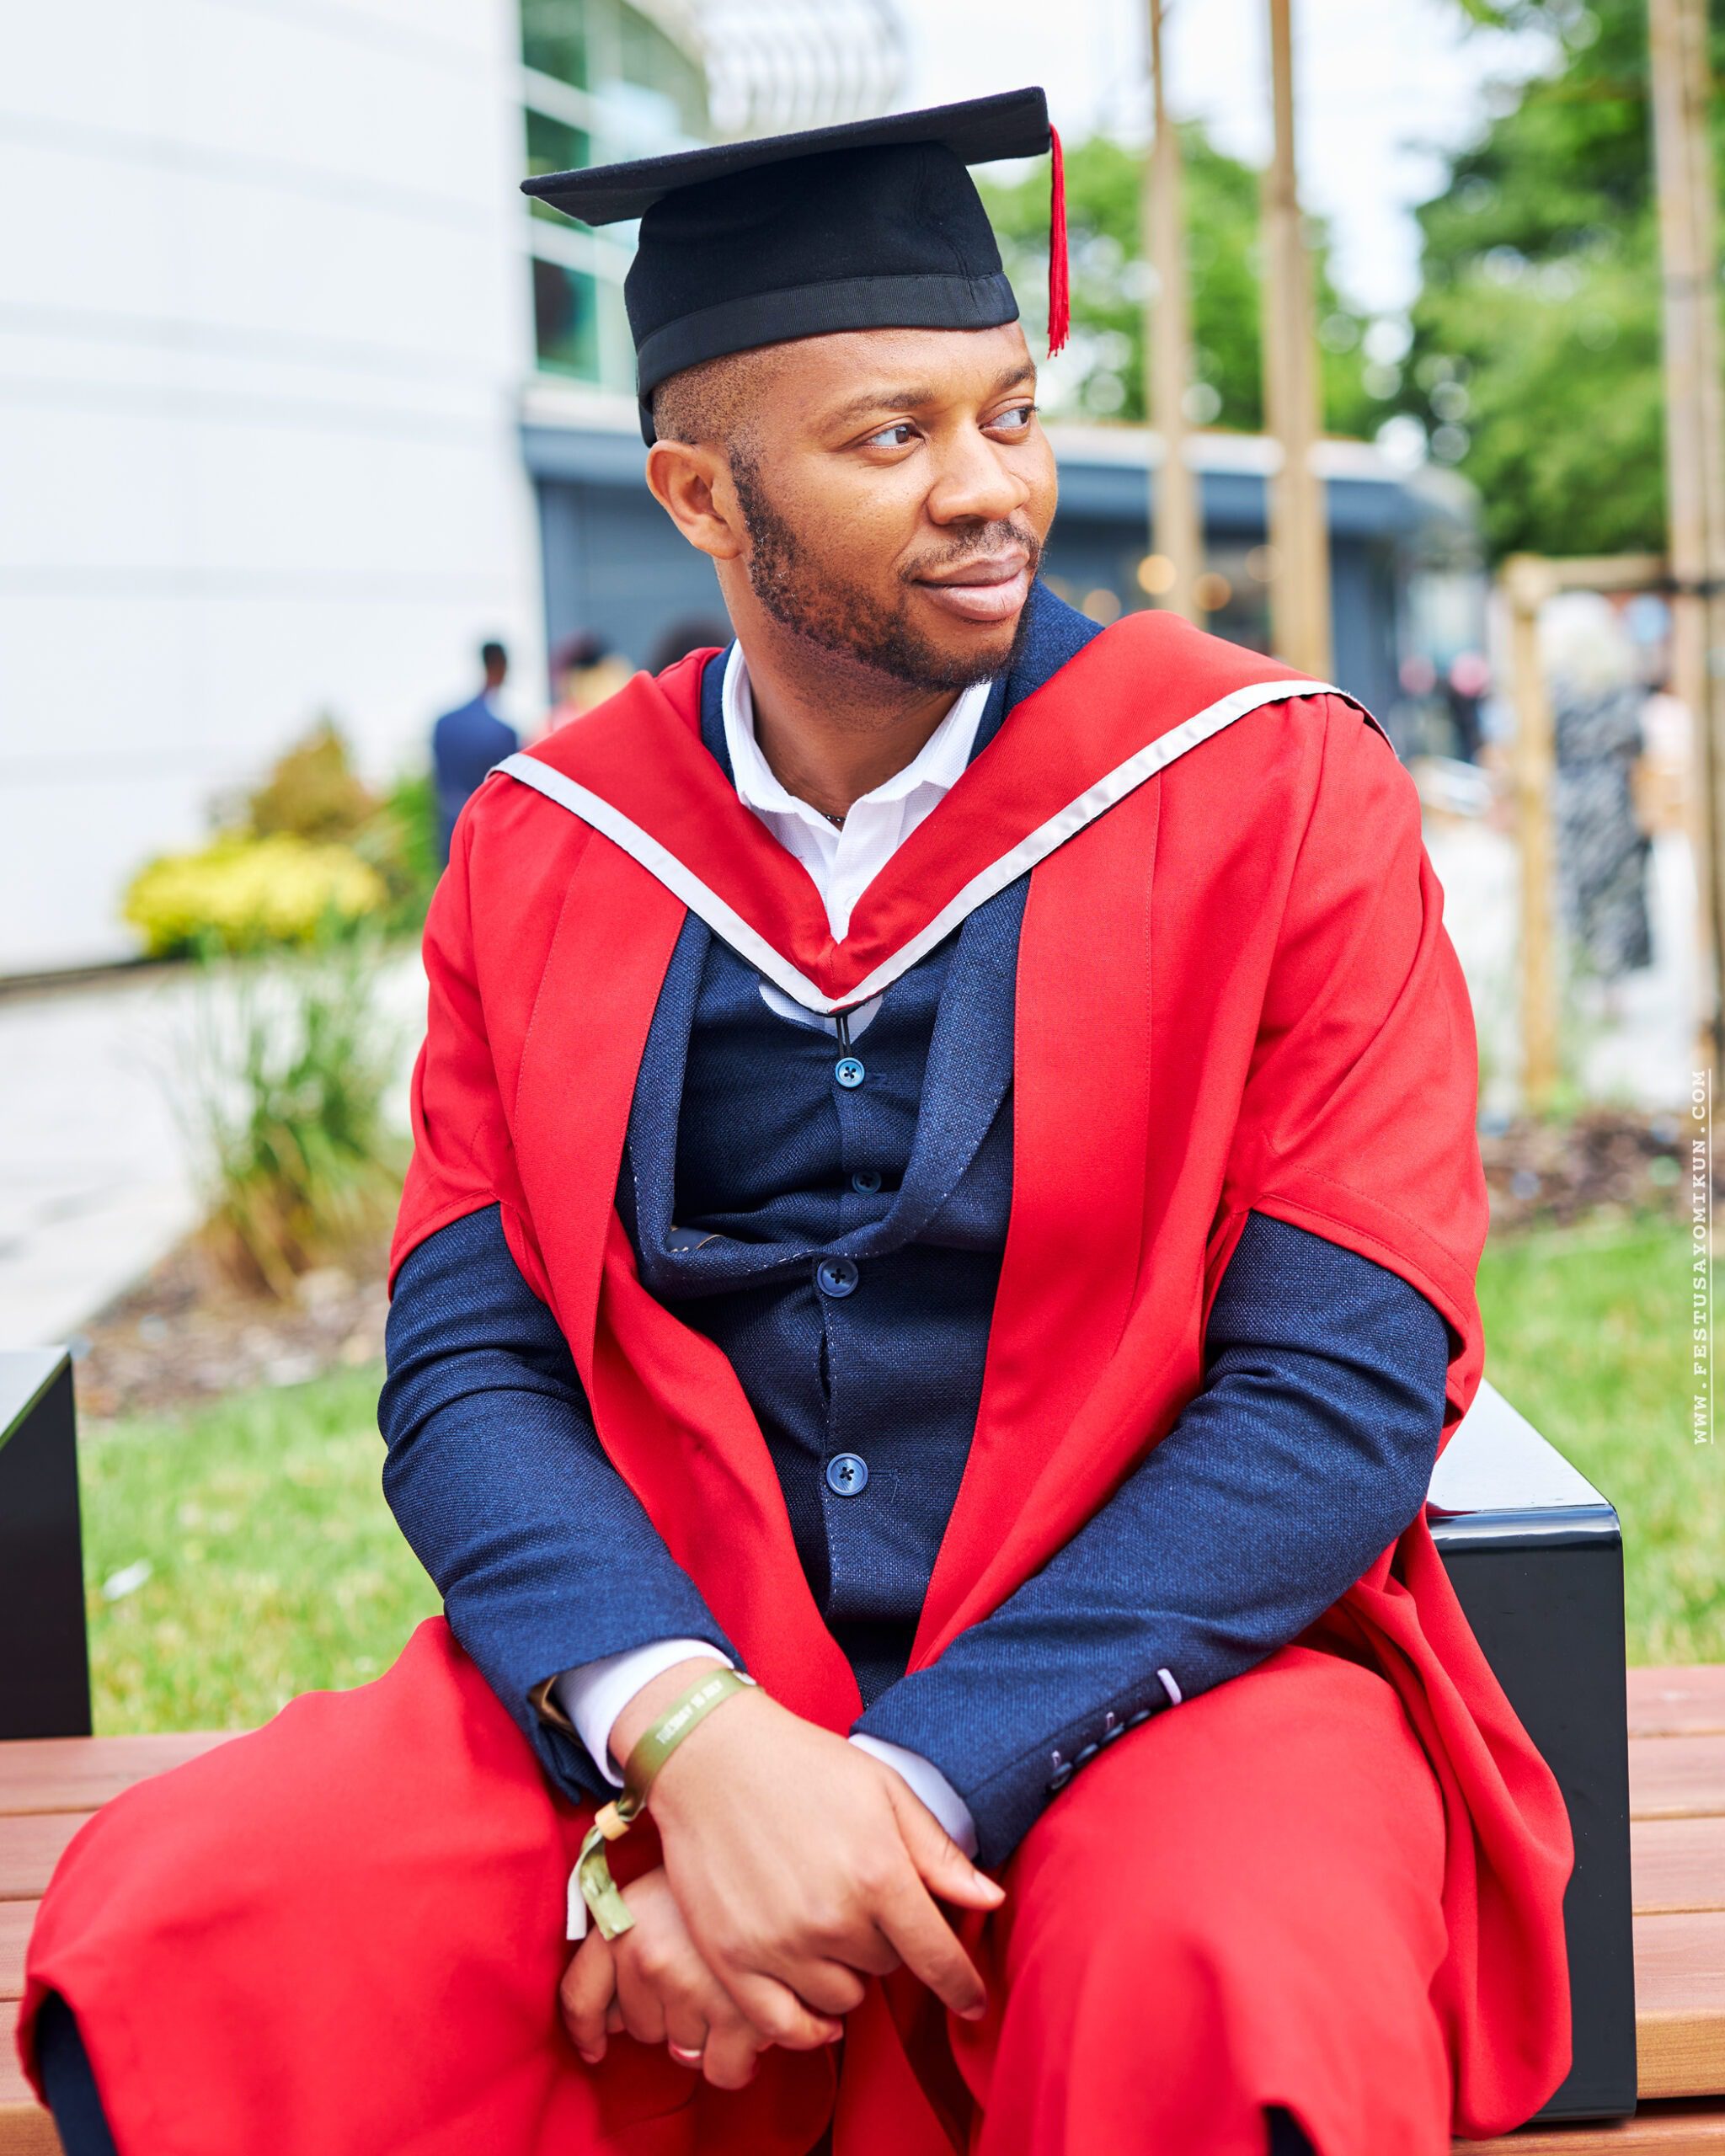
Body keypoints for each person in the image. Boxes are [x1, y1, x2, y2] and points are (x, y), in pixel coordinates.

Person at [20, 88, 1573, 2156]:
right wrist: (683, 1734)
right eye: (889, 435)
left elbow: (1337, 1384)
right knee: (198, 1918)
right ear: (696, 493)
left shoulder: (1271, 788)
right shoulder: (547, 845)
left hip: (1152, 1666)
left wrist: (886, 1790)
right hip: (682, 1651)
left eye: (1008, 413)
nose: (988, 487)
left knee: (1218, 1958)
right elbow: (467, 1366)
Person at [1541, 592, 1653, 1002]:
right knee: (1618, 890)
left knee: (1576, 890)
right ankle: (1612, 984)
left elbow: (1537, 743)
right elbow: (1638, 741)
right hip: (1613, 798)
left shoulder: (1553, 689)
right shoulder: (1619, 685)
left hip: (1568, 798)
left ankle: (1580, 980)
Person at [430, 638, 516, 860]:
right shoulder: (502, 733)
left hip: (449, 830)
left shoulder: (444, 724)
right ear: (501, 665)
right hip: (485, 837)